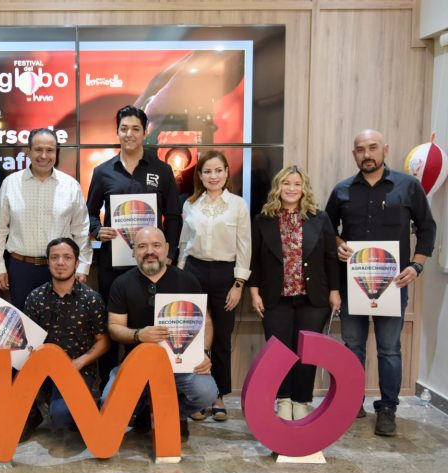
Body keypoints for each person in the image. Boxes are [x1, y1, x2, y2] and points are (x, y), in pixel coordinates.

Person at [325, 129, 436, 436]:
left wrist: (417, 265)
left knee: (389, 349)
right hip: (353, 283)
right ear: (354, 154)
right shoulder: (342, 190)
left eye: (372, 148)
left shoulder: (408, 186)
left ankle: (388, 408)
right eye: (360, 149)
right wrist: (339, 244)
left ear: (385, 149)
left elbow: (427, 228)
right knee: (353, 346)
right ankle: (352, 401)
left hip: (393, 285)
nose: (367, 154)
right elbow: (327, 228)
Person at [86, 105, 182, 390]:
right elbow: (89, 213)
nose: (129, 134)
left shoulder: (162, 170)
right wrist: (96, 230)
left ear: (145, 131)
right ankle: (109, 389)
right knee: (112, 326)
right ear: (117, 132)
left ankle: (151, 390)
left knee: (150, 325)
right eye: (124, 128)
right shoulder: (103, 172)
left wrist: (170, 255)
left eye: (135, 129)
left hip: (153, 265)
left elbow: (174, 217)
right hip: (113, 265)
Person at [102, 226, 218, 439]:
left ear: (166, 249)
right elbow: (115, 328)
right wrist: (139, 335)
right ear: (133, 251)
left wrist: (203, 351)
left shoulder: (187, 280)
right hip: (136, 363)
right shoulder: (121, 284)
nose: (150, 251)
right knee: (108, 402)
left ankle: (174, 414)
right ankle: (145, 409)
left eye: (156, 245)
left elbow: (207, 322)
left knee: (207, 392)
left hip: (181, 365)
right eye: (142, 246)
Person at [250, 165, 341, 420]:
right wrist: (254, 292)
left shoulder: (319, 218)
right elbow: (254, 259)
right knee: (279, 353)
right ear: (278, 187)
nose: (291, 188)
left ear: (304, 189)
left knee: (307, 352)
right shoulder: (262, 219)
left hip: (313, 299)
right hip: (274, 298)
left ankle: (301, 400)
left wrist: (335, 291)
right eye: (286, 183)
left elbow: (331, 257)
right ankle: (283, 399)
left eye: (297, 184)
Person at [177, 150, 250, 421]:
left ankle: (218, 395)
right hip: (194, 272)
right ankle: (196, 396)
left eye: (218, 170)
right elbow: (184, 244)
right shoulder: (190, 204)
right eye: (207, 171)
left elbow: (244, 246)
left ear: (227, 172)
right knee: (192, 336)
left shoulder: (238, 205)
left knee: (221, 338)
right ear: (200, 175)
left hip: (224, 275)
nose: (213, 176)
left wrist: (238, 284)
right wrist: (179, 278)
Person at [0, 128, 91, 309]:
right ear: (28, 152)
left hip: (61, 268)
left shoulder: (70, 186)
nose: (44, 156)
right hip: (21, 269)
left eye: (50, 150)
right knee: (24, 323)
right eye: (38, 149)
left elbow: (81, 230)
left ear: (56, 152)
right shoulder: (11, 183)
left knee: (61, 323)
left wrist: (82, 266)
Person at [19, 237, 110, 440]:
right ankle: (33, 414)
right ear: (48, 262)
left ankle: (80, 409)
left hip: (78, 369)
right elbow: (27, 341)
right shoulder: (35, 297)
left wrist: (79, 362)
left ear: (76, 263)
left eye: (67, 257)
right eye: (55, 257)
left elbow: (104, 341)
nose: (60, 262)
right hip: (43, 369)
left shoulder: (91, 299)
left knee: (62, 415)